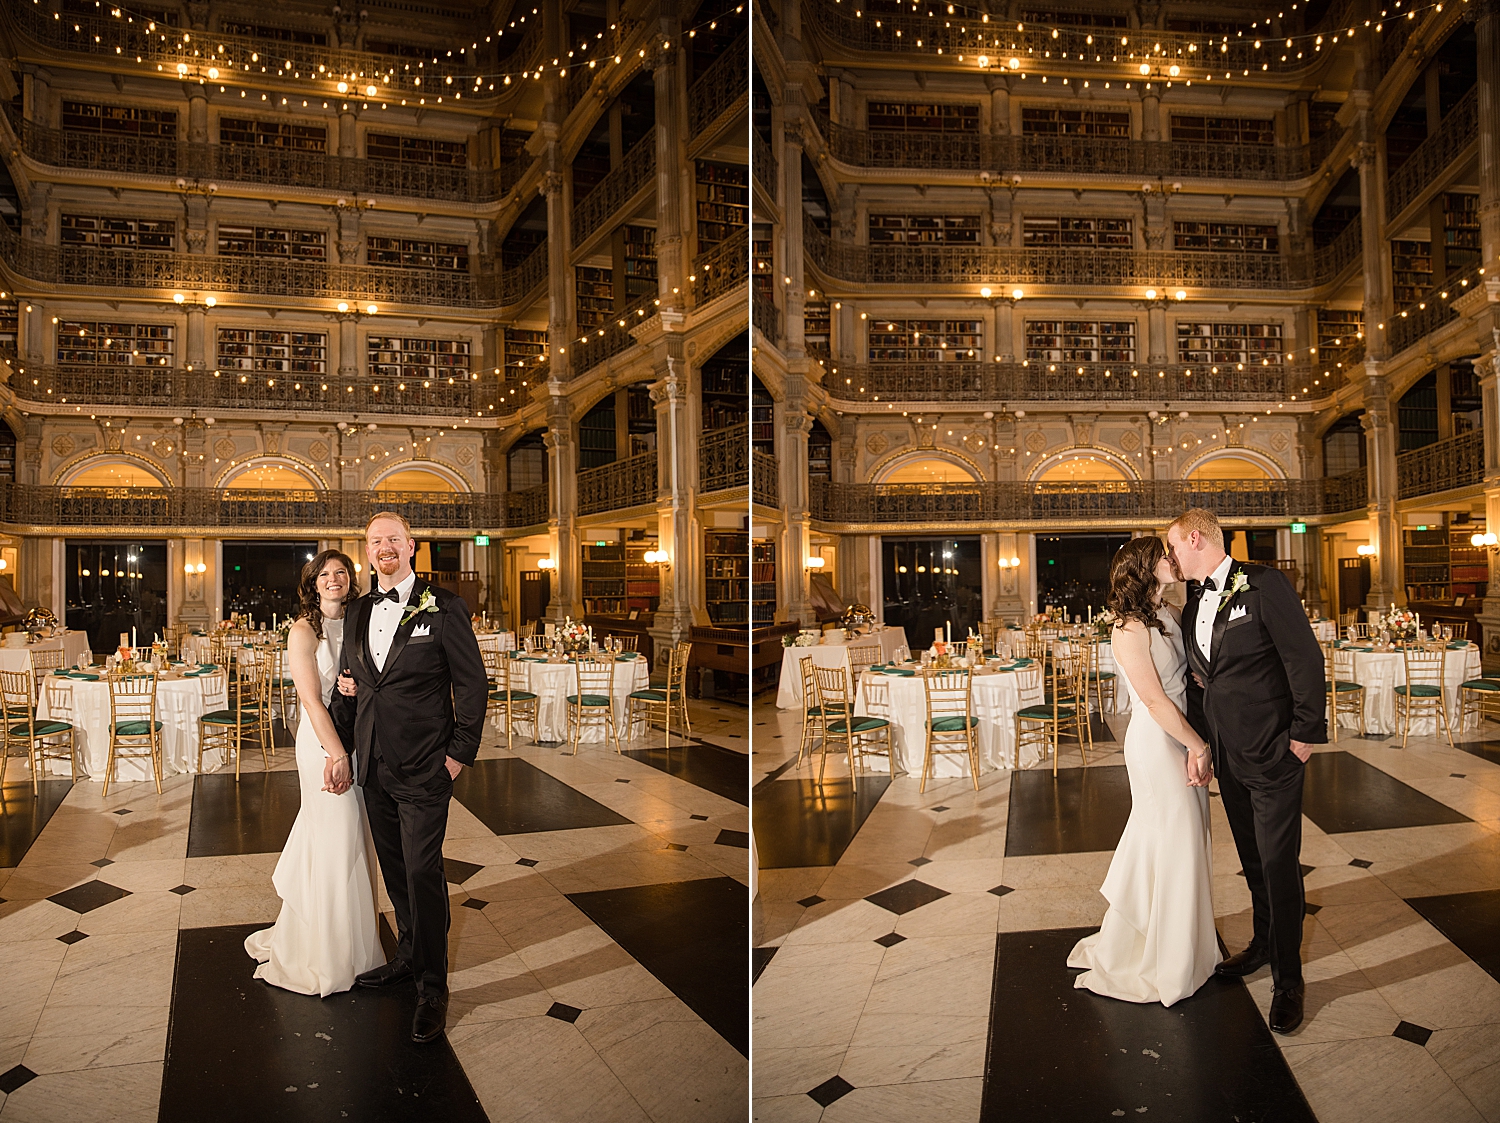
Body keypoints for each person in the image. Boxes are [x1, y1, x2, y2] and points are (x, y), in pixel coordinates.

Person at [1166, 508, 1326, 1035]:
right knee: (1254, 861)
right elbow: (1201, 681)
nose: (1171, 557)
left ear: (1194, 538)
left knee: (1280, 865)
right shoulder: (1193, 603)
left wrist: (1304, 735)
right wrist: (1203, 744)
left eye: (1173, 547)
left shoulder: (1263, 584)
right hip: (1229, 757)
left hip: (1276, 750)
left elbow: (1304, 658)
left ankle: (1289, 980)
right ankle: (1261, 944)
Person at [330, 512, 488, 1044]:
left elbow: (472, 685)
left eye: (393, 539)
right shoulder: (356, 611)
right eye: (376, 541)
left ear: (412, 546)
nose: (384, 548)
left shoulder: (444, 607)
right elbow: (351, 683)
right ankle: (405, 955)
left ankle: (432, 985)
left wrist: (458, 755)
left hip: (426, 767)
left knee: (424, 873)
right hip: (373, 767)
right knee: (396, 872)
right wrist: (339, 748)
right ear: (367, 551)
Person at [1068, 536, 1220, 1006]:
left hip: (1182, 731)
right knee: (1171, 838)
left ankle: (1184, 947)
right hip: (1157, 743)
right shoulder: (1128, 630)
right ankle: (1159, 958)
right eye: (1163, 555)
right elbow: (1153, 701)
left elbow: (1182, 673)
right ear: (1143, 567)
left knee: (1186, 839)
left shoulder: (1169, 616)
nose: (1172, 560)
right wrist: (1198, 745)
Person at [245, 550, 384, 996]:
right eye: (325, 574)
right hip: (322, 741)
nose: (334, 579)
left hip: (357, 737)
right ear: (313, 582)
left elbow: (374, 678)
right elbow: (310, 699)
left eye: (341, 572)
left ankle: (359, 948)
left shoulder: (363, 620)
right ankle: (324, 953)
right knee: (335, 835)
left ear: (351, 579)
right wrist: (336, 753)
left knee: (354, 838)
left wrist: (360, 688)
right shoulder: (304, 631)